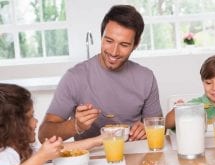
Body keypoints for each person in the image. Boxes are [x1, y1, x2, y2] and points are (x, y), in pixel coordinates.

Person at [38, 5, 163, 143]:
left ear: (136, 44)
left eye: (124, 45)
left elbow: (158, 127)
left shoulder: (146, 78)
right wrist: (76, 125)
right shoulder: (74, 77)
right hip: (92, 158)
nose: (114, 52)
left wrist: (146, 129)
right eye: (109, 41)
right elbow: (43, 135)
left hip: (134, 155)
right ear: (101, 36)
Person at [0, 84, 102, 165]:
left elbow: (59, 148)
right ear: (12, 126)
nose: (35, 121)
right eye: (30, 117)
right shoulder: (4, 153)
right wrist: (42, 156)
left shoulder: (21, 147)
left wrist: (97, 140)